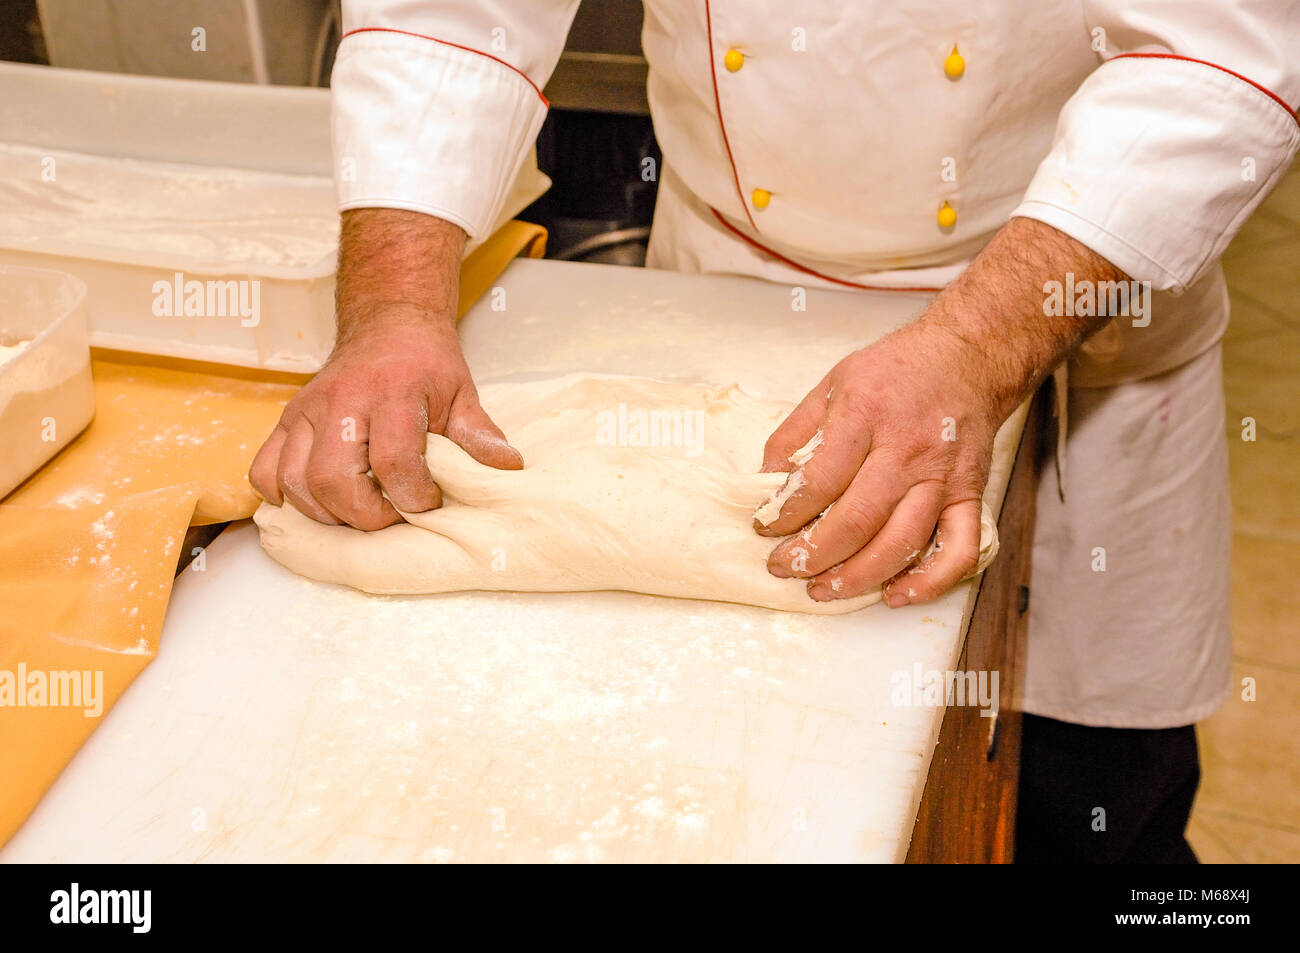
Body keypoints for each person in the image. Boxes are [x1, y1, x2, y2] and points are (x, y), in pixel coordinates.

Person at [249, 1, 1300, 862]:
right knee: (739, 774)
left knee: (1094, 807)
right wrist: (392, 307)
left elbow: (1218, 52)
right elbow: (455, 15)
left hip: (1071, 277)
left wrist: (978, 348)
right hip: (724, 288)